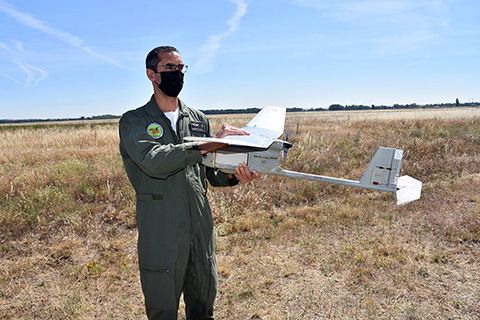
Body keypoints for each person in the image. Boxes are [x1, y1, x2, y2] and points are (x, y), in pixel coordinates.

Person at [119, 46, 260, 320]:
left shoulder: (197, 119)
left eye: (181, 68)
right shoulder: (134, 121)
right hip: (161, 228)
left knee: (203, 302)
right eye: (169, 68)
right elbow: (154, 161)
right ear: (152, 75)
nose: (177, 74)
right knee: (163, 308)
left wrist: (235, 174)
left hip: (200, 225)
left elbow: (210, 173)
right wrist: (208, 144)